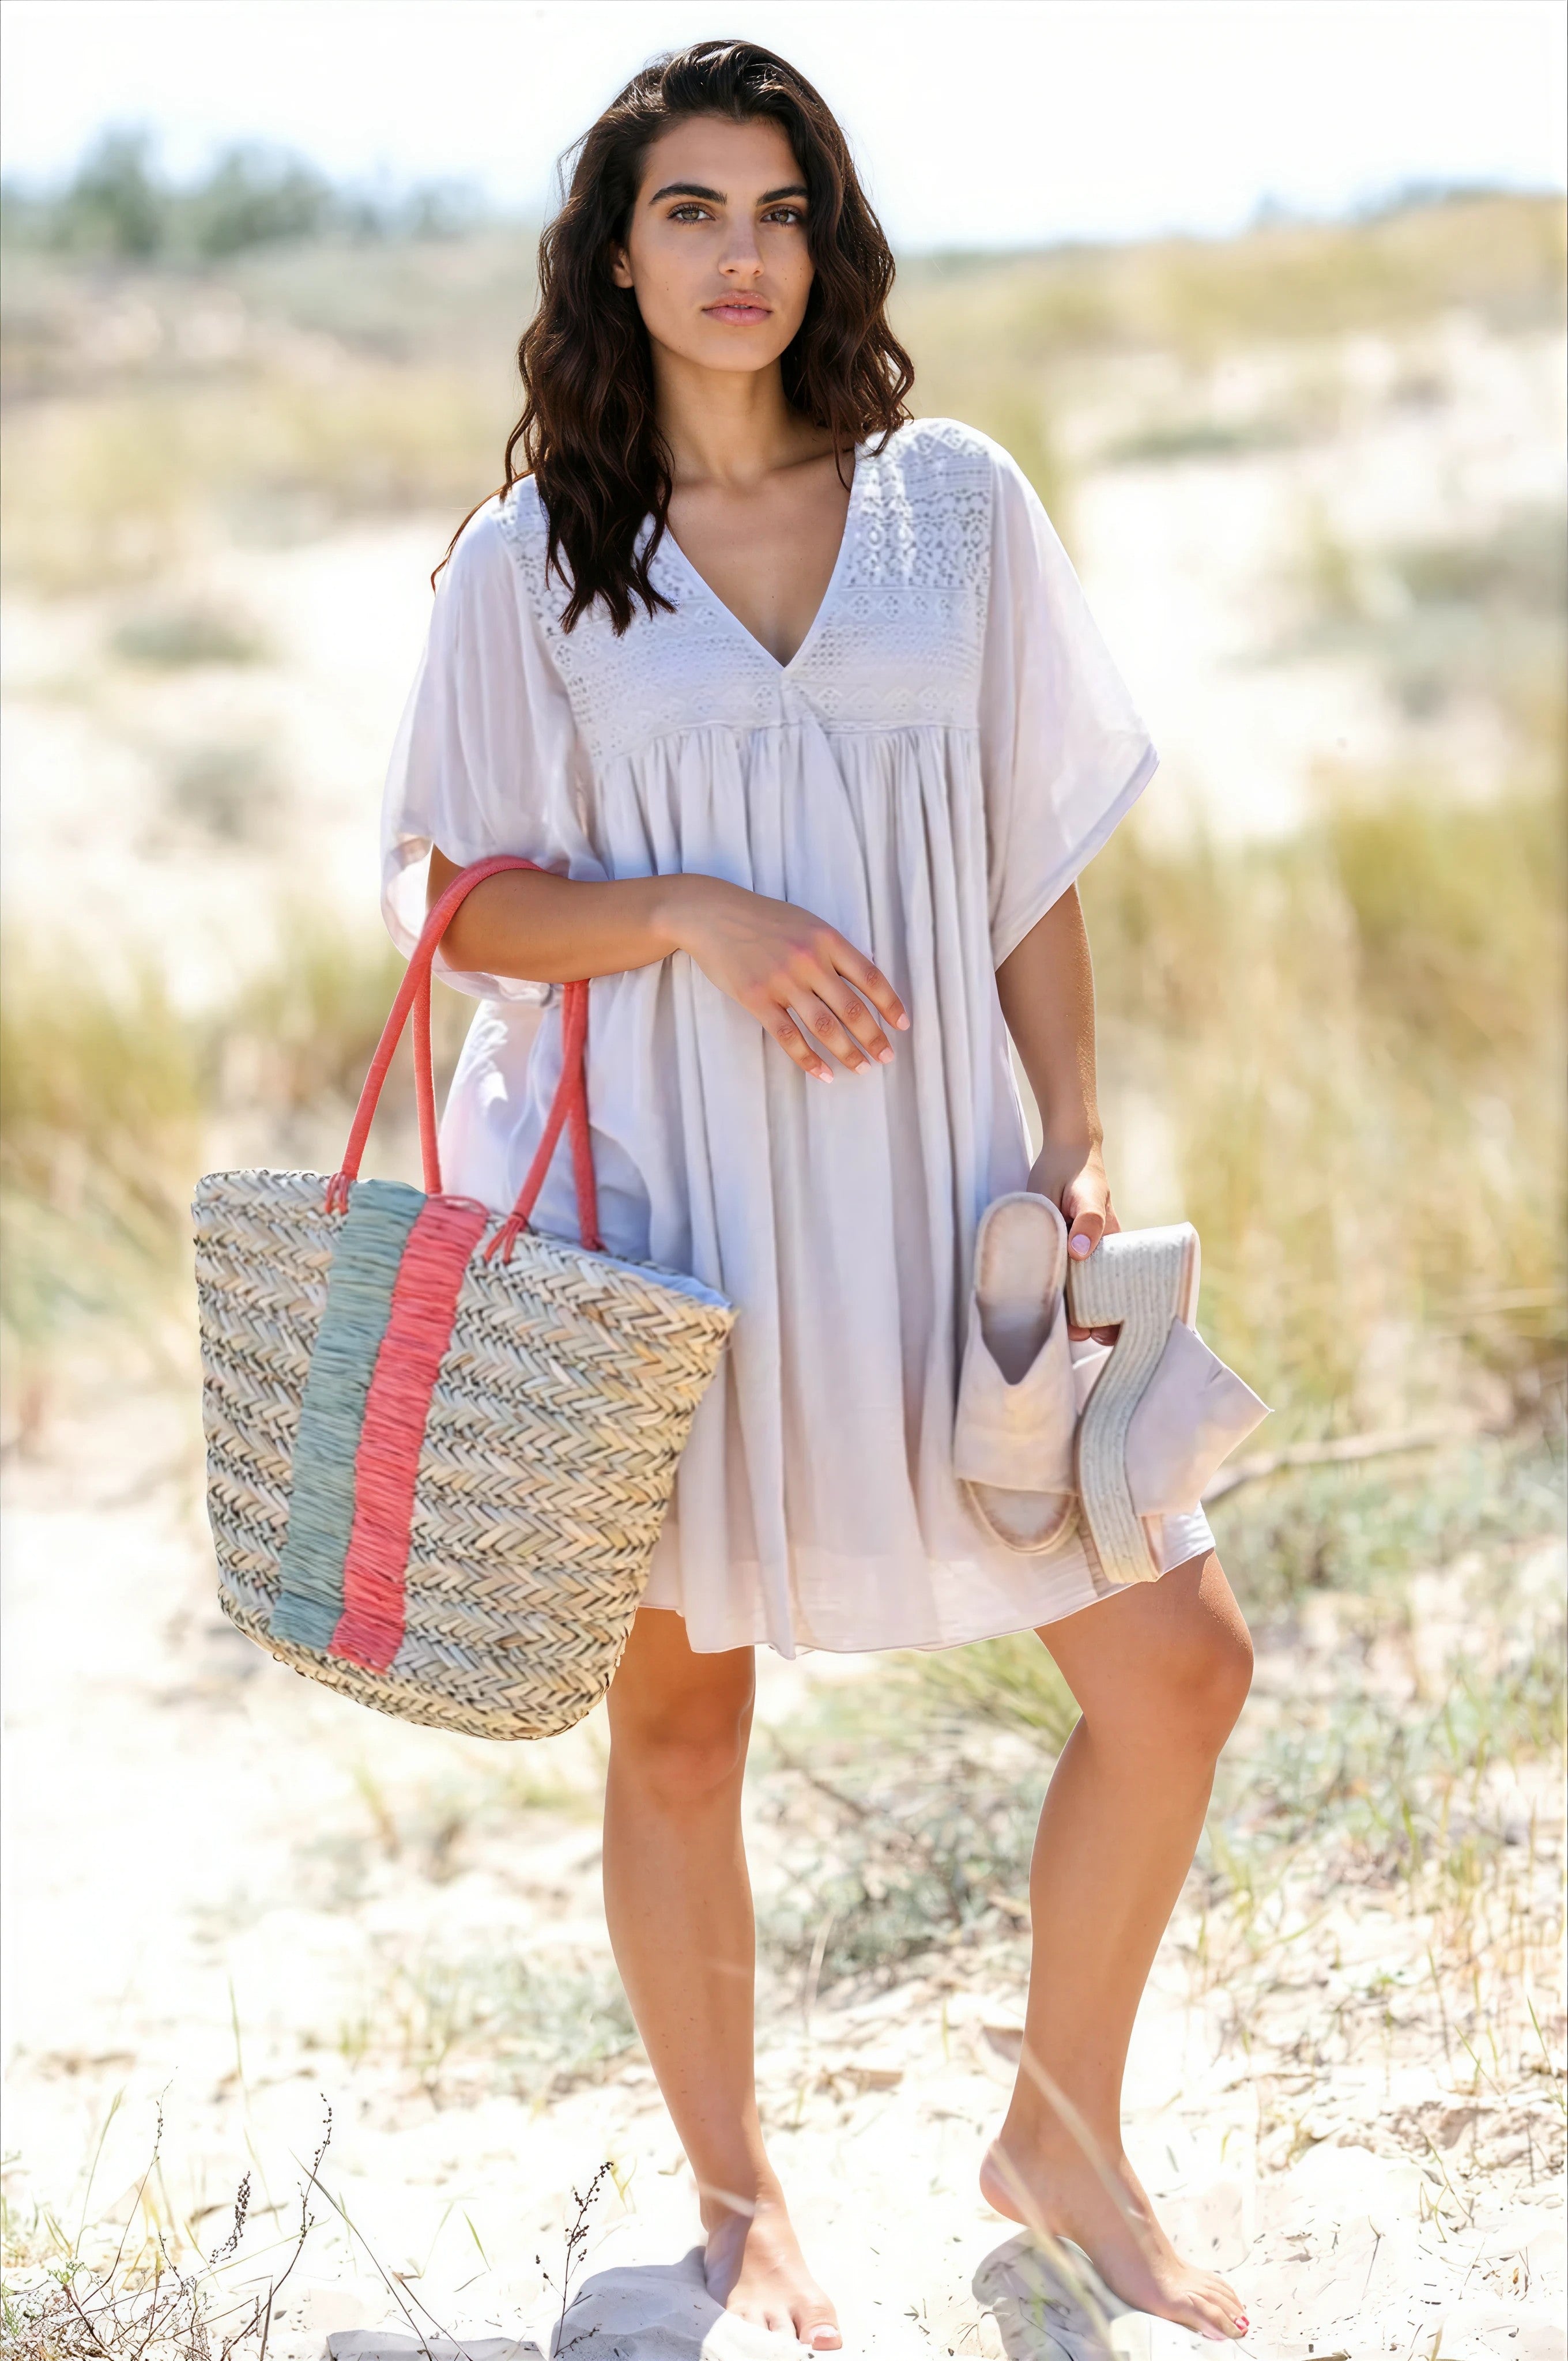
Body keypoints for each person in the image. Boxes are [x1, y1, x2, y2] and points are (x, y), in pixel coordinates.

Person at [382, 39, 1253, 2345]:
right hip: (661, 1222)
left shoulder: (951, 508)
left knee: (1174, 1658)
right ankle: (734, 2197)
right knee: (679, 1725)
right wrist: (687, 908)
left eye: (775, 207)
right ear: (613, 251)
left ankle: (1060, 2133)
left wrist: (1066, 1139)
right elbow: (458, 906)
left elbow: (1033, 857)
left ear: (824, 238)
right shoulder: (529, 559)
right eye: (687, 209)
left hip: (937, 1197)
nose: (738, 251)